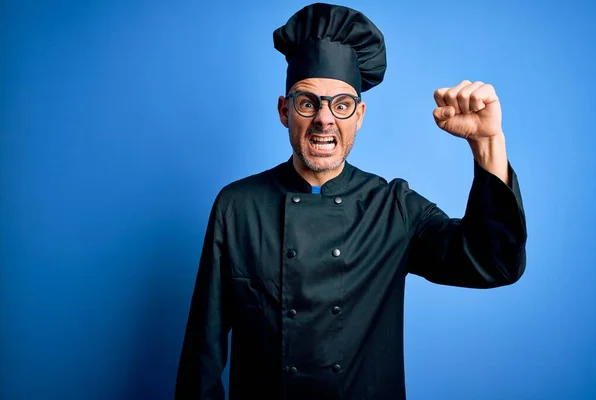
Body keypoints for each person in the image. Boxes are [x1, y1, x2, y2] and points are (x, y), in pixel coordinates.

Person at [174, 3, 527, 399]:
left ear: (359, 116)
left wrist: (487, 144)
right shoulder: (237, 206)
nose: (325, 120)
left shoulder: (394, 207)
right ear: (284, 111)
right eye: (308, 103)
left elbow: (494, 263)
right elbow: (202, 353)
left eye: (341, 106)